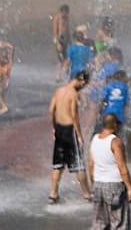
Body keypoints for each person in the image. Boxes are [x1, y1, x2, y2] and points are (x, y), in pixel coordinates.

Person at [49, 70, 92, 203]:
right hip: (70, 130)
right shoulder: (73, 94)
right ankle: (87, 195)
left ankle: (53, 195)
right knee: (79, 164)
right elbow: (74, 115)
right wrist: (79, 135)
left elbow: (51, 110)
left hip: (59, 129)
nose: (83, 88)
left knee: (58, 164)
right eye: (84, 85)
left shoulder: (59, 91)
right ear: (81, 81)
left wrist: (54, 128)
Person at [89, 113, 131, 229]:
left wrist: (94, 183)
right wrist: (130, 188)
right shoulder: (115, 142)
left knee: (99, 224)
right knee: (119, 223)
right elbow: (122, 167)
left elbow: (91, 165)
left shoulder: (94, 139)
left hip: (98, 185)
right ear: (114, 125)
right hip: (114, 186)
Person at [53, 4, 70, 81]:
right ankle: (58, 76)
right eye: (64, 12)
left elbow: (68, 30)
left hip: (65, 40)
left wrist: (70, 42)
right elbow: (55, 32)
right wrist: (57, 43)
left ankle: (65, 75)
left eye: (67, 13)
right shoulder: (57, 18)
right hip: (59, 39)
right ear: (62, 11)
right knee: (61, 59)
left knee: (66, 58)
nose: (65, 14)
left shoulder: (66, 18)